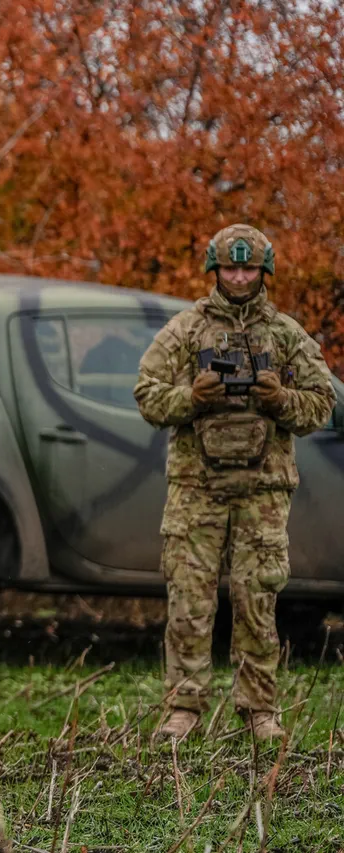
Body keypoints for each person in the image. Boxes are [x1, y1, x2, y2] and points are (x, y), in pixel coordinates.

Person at [135, 224, 336, 742]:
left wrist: (280, 400)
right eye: (231, 267)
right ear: (215, 269)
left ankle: (259, 710)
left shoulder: (285, 334)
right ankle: (184, 708)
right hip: (196, 488)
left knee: (257, 599)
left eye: (249, 268)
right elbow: (147, 393)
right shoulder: (186, 329)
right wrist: (192, 397)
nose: (240, 277)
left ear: (263, 270)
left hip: (262, 491)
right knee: (189, 598)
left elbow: (322, 403)